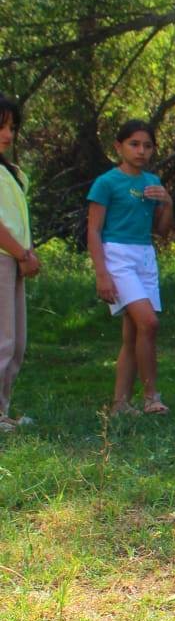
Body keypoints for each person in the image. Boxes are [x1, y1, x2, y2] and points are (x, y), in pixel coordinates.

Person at [86, 120, 174, 416]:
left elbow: (162, 230)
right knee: (149, 323)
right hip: (117, 255)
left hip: (145, 255)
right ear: (119, 147)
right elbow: (94, 230)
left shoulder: (151, 182)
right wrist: (102, 273)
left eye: (147, 146)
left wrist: (168, 204)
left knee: (135, 333)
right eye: (134, 144)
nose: (141, 151)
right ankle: (151, 396)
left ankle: (120, 403)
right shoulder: (106, 182)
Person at [0, 95, 38, 433]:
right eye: (1, 126)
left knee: (16, 341)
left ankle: (3, 409)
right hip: (3, 257)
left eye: (12, 127)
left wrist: (28, 251)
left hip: (13, 260)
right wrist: (22, 253)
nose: (8, 134)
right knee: (1, 339)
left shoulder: (10, 172)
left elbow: (17, 218)